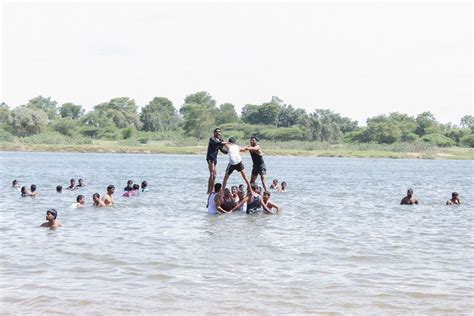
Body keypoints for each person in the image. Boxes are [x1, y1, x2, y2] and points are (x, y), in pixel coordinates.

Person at [206, 128, 227, 194]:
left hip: (215, 159)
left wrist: (228, 151)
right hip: (210, 157)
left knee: (215, 175)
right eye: (217, 132)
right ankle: (209, 190)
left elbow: (222, 150)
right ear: (214, 133)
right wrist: (227, 142)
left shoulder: (220, 140)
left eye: (219, 132)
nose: (219, 133)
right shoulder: (212, 139)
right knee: (212, 173)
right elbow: (217, 143)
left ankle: (213, 188)